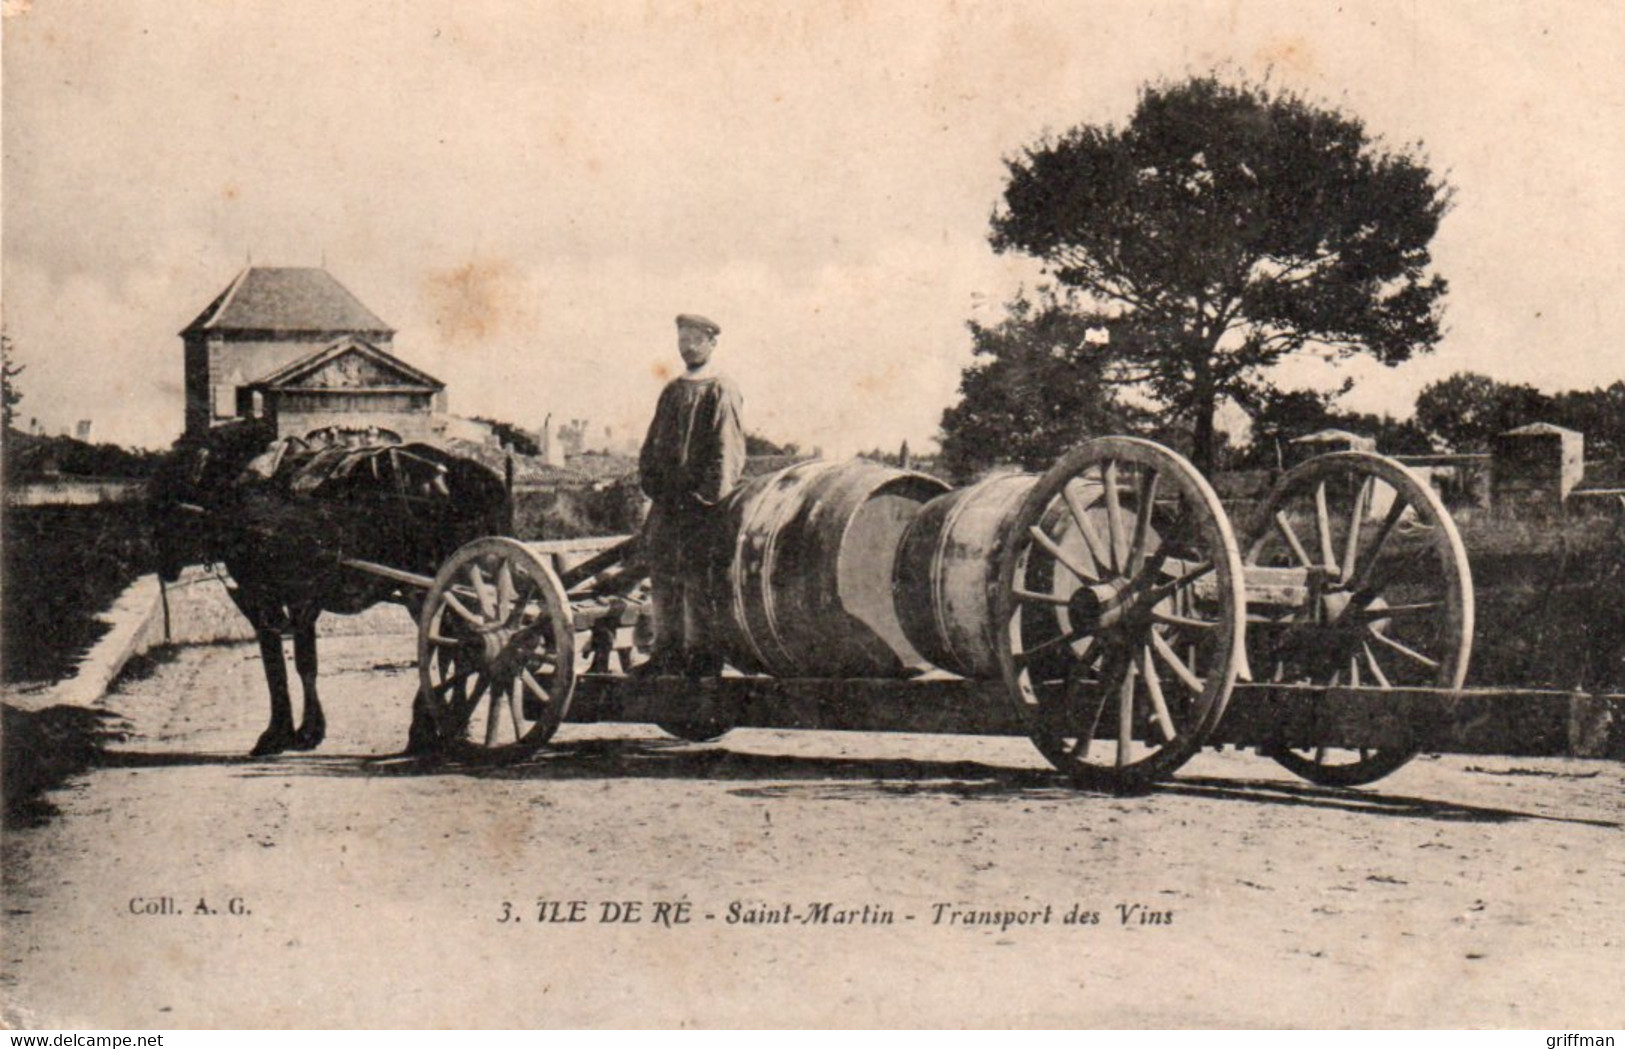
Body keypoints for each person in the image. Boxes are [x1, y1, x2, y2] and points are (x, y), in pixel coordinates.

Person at [637, 313, 745, 674]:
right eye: (682, 339)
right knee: (663, 574)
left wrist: (708, 499)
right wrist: (655, 486)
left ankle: (702, 658)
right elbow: (652, 444)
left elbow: (725, 450)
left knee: (700, 579)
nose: (687, 346)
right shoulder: (672, 390)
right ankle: (665, 653)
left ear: (712, 343)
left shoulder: (721, 389)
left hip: (703, 507)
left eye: (695, 339)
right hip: (669, 504)